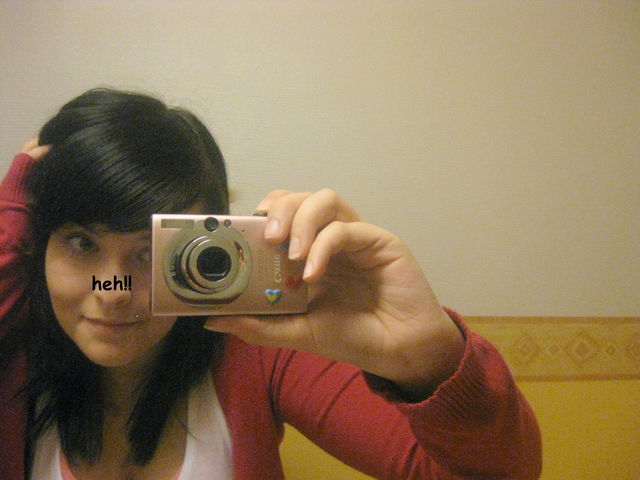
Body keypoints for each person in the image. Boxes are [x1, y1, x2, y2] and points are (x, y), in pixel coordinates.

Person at [0, 88, 541, 480]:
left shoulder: (254, 348)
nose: (113, 290)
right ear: (37, 245)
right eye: (80, 243)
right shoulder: (15, 355)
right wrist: (12, 207)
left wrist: (428, 359)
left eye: (149, 252)